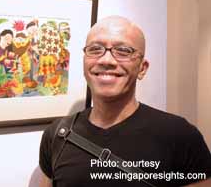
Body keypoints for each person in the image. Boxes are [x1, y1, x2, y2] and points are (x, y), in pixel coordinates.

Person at [38, 16, 211, 187]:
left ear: (142, 69)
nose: (106, 60)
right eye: (95, 49)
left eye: (123, 51)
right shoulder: (57, 135)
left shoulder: (180, 136)